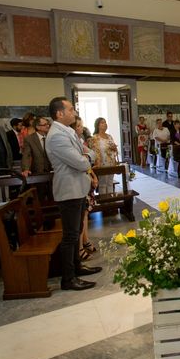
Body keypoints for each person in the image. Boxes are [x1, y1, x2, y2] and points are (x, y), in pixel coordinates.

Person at [45, 97, 101, 291]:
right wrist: (87, 157)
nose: (74, 113)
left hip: (77, 188)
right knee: (70, 236)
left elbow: (89, 153)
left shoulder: (67, 131)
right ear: (59, 113)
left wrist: (87, 156)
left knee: (76, 232)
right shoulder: (57, 136)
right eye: (70, 110)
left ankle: (77, 268)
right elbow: (83, 162)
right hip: (68, 190)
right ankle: (68, 279)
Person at [70, 116, 97, 261]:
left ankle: (85, 240)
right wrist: (87, 160)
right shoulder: (71, 141)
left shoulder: (79, 141)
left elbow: (91, 156)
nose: (82, 128)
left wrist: (92, 174)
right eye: (79, 126)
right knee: (81, 216)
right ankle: (80, 246)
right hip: (79, 180)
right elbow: (83, 162)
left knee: (85, 213)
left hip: (85, 177)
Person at [88, 117, 118, 195]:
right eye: (102, 122)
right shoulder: (95, 138)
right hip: (101, 163)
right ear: (98, 125)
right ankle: (104, 203)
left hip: (111, 162)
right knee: (103, 184)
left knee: (110, 183)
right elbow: (93, 151)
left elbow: (114, 148)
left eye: (105, 122)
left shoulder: (109, 136)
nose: (105, 124)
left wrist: (114, 148)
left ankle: (111, 201)